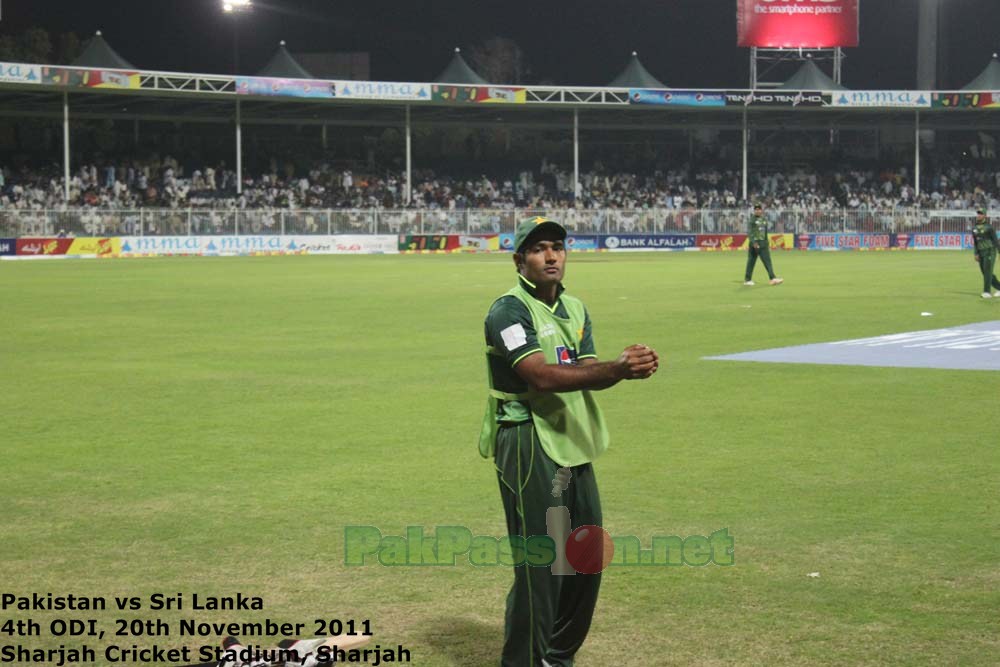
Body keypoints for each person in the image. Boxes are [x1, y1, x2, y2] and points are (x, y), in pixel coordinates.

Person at [479, 216, 659, 667]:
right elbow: (539, 374)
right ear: (519, 260)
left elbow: (586, 374)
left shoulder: (575, 308)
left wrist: (626, 369)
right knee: (542, 563)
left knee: (584, 557)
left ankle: (557, 657)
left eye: (557, 247)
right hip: (525, 440)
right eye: (538, 248)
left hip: (571, 438)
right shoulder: (509, 310)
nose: (551, 255)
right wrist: (615, 370)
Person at [744, 203, 783, 286]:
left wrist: (766, 242)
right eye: (756, 209)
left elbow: (765, 232)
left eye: (759, 209)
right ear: (754, 211)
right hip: (755, 244)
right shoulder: (752, 220)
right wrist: (753, 242)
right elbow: (750, 232)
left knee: (766, 261)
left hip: (763, 243)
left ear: (761, 210)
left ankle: (771, 278)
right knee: (752, 261)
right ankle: (748, 279)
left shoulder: (764, 219)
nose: (757, 211)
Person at [971, 208, 1000, 298]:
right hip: (981, 253)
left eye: (981, 213)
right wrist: (976, 253)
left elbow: (995, 241)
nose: (978, 215)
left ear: (984, 215)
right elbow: (976, 242)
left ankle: (986, 292)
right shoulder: (974, 228)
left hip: (990, 251)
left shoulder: (989, 227)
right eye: (978, 213)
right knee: (985, 272)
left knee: (987, 272)